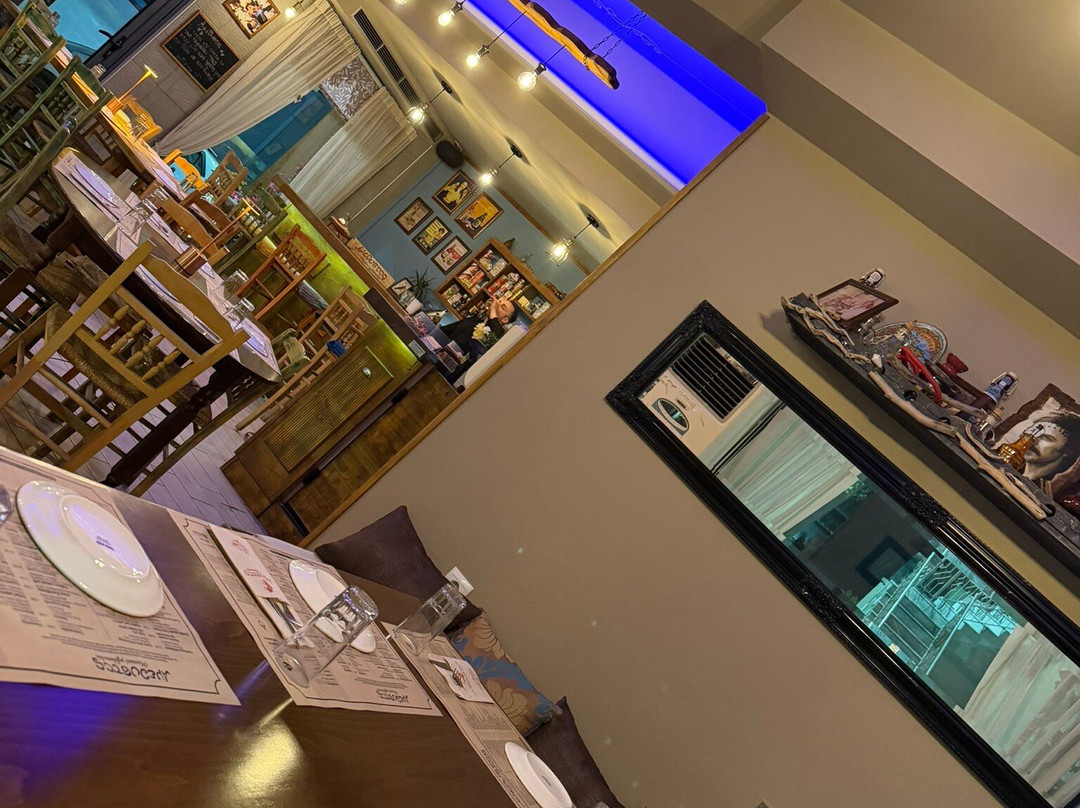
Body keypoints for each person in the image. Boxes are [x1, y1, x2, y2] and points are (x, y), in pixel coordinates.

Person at [440, 295, 519, 364]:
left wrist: (493, 309)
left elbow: (496, 332)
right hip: (440, 354)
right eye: (499, 301)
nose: (497, 304)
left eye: (502, 307)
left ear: (505, 320)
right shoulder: (475, 321)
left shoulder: (495, 336)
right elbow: (444, 331)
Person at [1023, 410, 1080, 490]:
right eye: (1031, 433)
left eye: (1046, 438)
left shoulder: (1054, 488)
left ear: (1068, 450)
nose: (1032, 441)